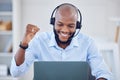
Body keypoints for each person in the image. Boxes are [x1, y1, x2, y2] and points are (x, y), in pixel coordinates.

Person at [10, 3, 112, 80]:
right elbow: (16, 72)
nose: (65, 30)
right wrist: (24, 44)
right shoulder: (40, 41)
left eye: (70, 26)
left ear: (77, 26)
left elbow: (103, 73)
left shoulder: (88, 43)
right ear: (53, 22)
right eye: (60, 24)